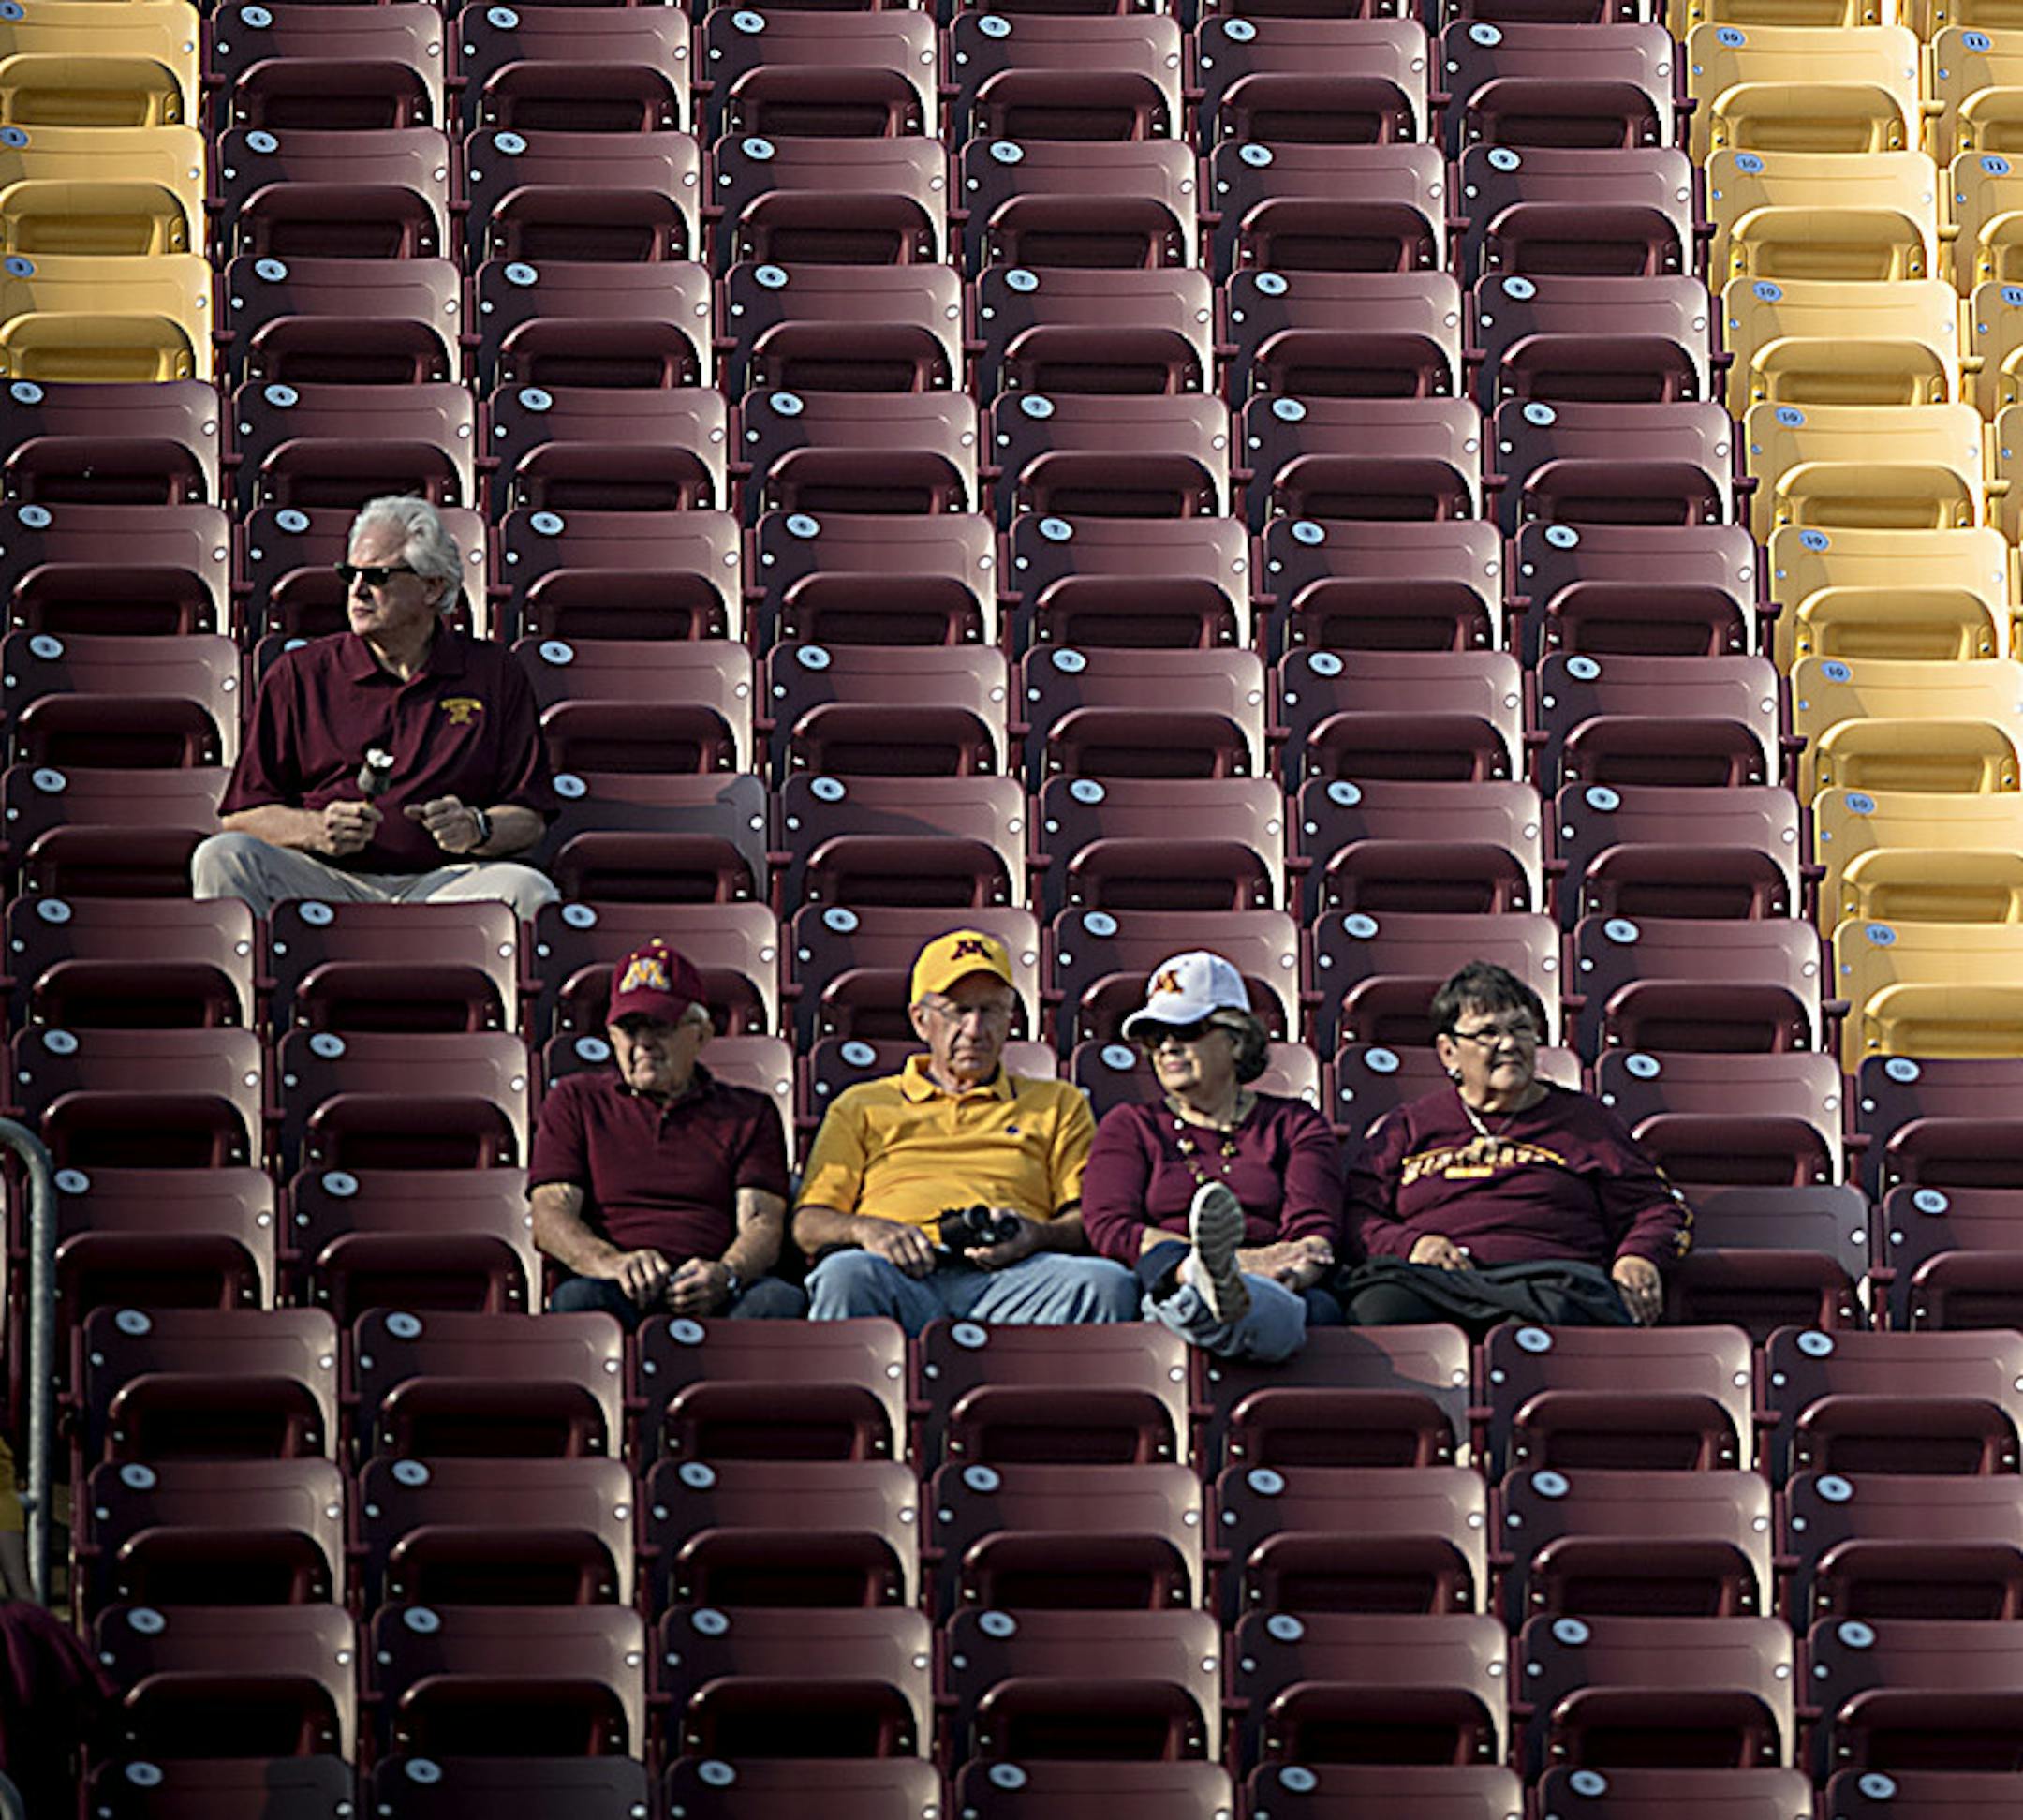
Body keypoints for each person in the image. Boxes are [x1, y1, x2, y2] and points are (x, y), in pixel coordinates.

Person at [192, 495, 559, 920]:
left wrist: (477, 827)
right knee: (221, 858)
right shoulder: (299, 674)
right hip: (323, 876)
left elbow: (530, 818)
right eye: (350, 574)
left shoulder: (494, 673)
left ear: (433, 586)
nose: (358, 590)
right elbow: (241, 817)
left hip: (448, 880)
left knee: (528, 890)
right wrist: (315, 830)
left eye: (379, 576)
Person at [794, 929, 1139, 1334]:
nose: (976, 1030)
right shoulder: (862, 1105)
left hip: (1015, 1275)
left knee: (1106, 1285)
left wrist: (1036, 1235)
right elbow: (808, 1225)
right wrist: (868, 1230)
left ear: (1010, 1019)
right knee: (845, 1275)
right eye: (958, 1011)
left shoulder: (1058, 1103)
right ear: (921, 1021)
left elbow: (1085, 1219)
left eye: (991, 1010)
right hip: (900, 1271)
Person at [1336, 960, 1692, 1333]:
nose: (1509, 1044)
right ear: (1448, 1051)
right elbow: (1357, 1214)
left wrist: (1637, 1257)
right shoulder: (1407, 1126)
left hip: (1547, 1280)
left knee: (1555, 1317)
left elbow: (1657, 1208)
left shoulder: (1587, 1122)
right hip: (1432, 1283)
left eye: (1521, 1029)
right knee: (1375, 1308)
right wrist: (1412, 1245)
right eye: (1487, 1033)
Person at [1081, 951, 1348, 1363]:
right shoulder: (1130, 1125)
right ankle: (1203, 1282)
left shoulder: (1295, 1123)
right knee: (1169, 1288)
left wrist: (1279, 1274)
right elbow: (1111, 1229)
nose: (1168, 1047)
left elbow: (1313, 1238)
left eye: (1186, 1030)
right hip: (1169, 1278)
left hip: (1275, 1288)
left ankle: (1213, 1292)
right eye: (1155, 1036)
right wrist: (1232, 1261)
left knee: (1282, 1309)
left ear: (1236, 1039)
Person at [529, 940, 805, 1327]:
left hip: (716, 1286)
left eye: (659, 1026)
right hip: (615, 1283)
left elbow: (762, 1221)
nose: (643, 1043)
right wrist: (611, 1263)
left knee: (778, 1301)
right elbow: (549, 1214)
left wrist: (725, 1274)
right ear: (611, 1035)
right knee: (579, 1299)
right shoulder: (575, 1101)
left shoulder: (748, 1112)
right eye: (629, 1028)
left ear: (701, 1034)